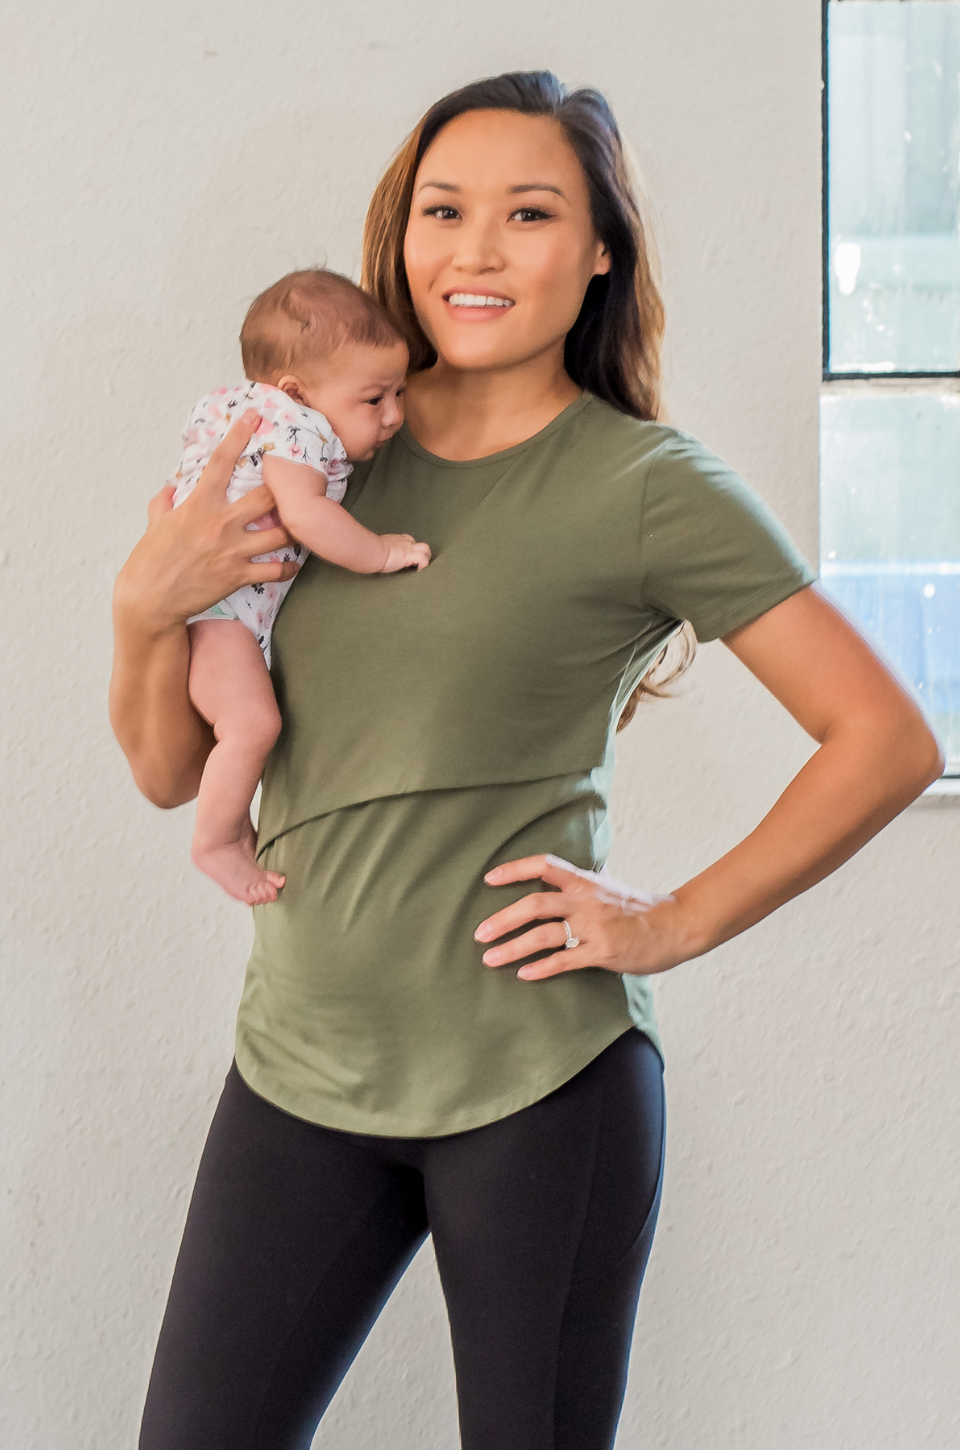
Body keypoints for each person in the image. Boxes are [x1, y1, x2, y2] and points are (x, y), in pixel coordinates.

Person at [110, 71, 942, 1450]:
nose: (477, 251)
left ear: (601, 246)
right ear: (401, 234)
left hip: (537, 1089)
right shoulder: (321, 449)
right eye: (444, 210)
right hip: (297, 1069)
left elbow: (887, 739)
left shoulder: (647, 486)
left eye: (530, 212)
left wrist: (667, 919)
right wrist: (143, 608)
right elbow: (163, 770)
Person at [169, 269, 429, 905]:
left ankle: (229, 830)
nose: (394, 415)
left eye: (399, 392)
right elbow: (309, 515)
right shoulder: (293, 425)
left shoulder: (233, 407)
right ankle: (216, 840)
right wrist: (380, 552)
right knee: (252, 725)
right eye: (374, 399)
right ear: (295, 390)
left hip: (211, 601)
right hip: (221, 607)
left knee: (247, 724)